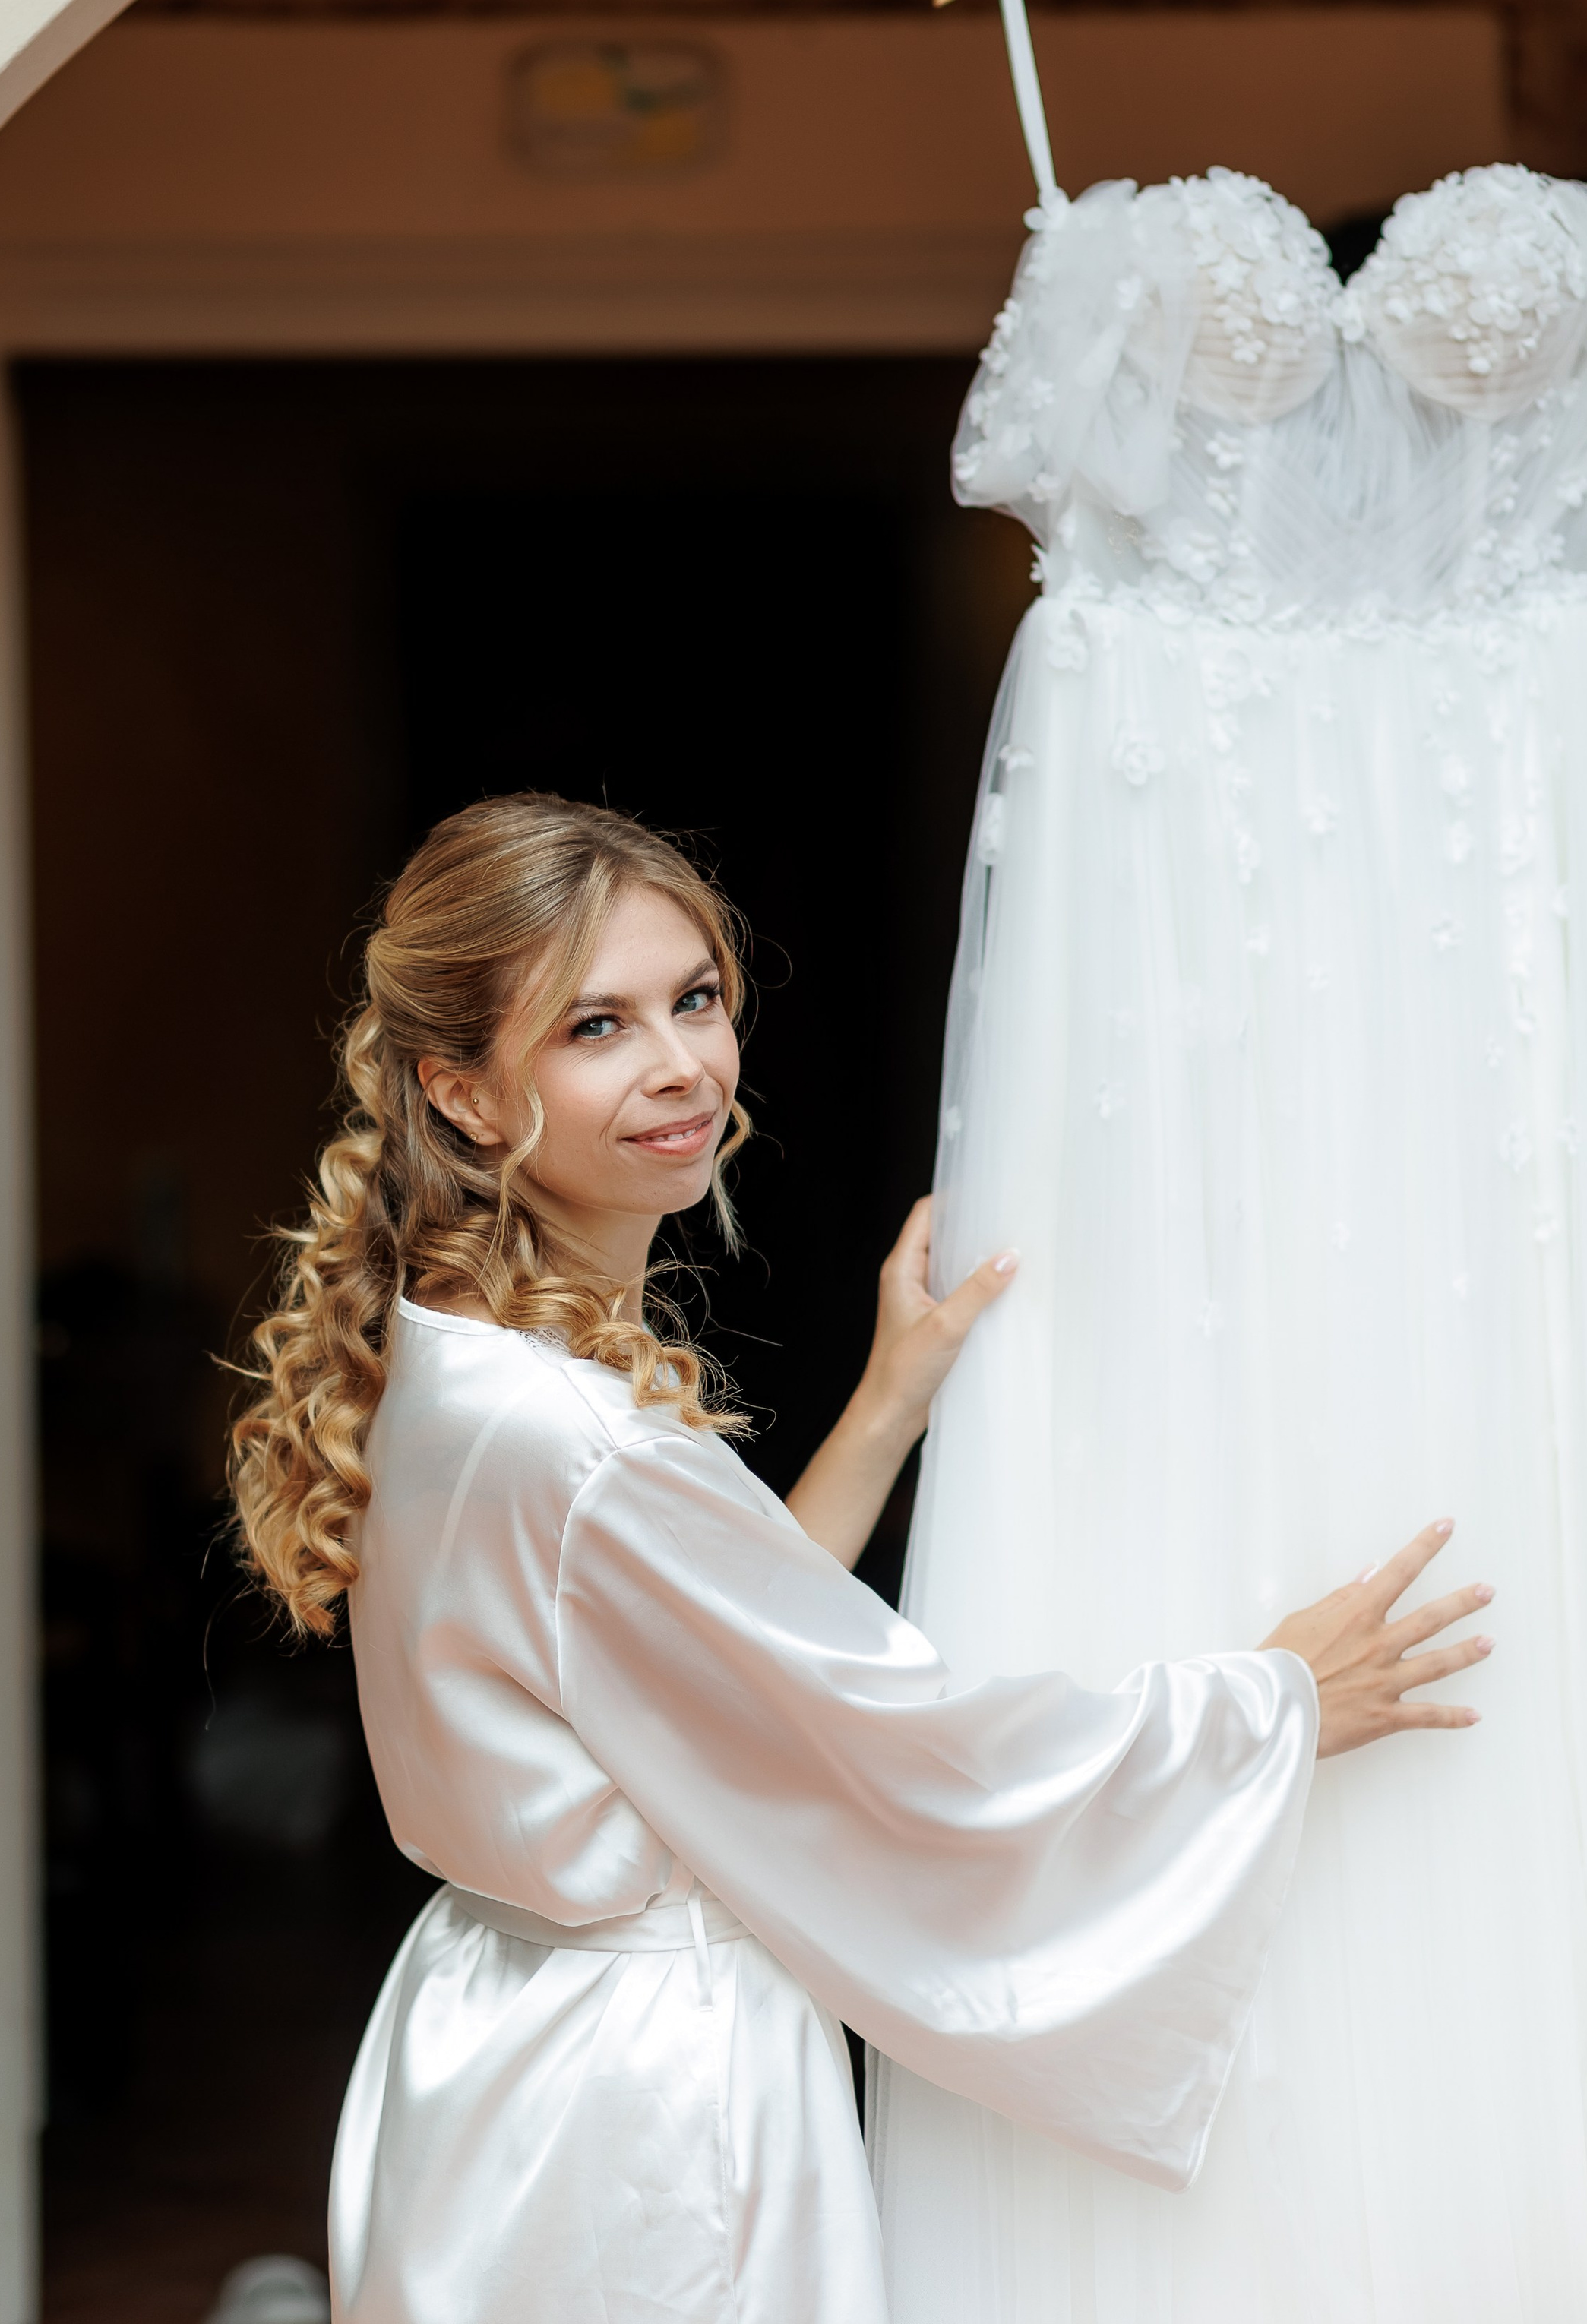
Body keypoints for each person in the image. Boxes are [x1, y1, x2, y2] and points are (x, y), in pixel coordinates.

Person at [229, 793, 1491, 2324]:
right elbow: (908, 1754)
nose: (679, 1063)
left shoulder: (457, 1356)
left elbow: (722, 1655)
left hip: (490, 2035)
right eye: (595, 1029)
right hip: (644, 2106)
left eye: (691, 999)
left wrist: (889, 1398)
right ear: (468, 1095)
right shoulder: (575, 1443)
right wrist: (1267, 1706)